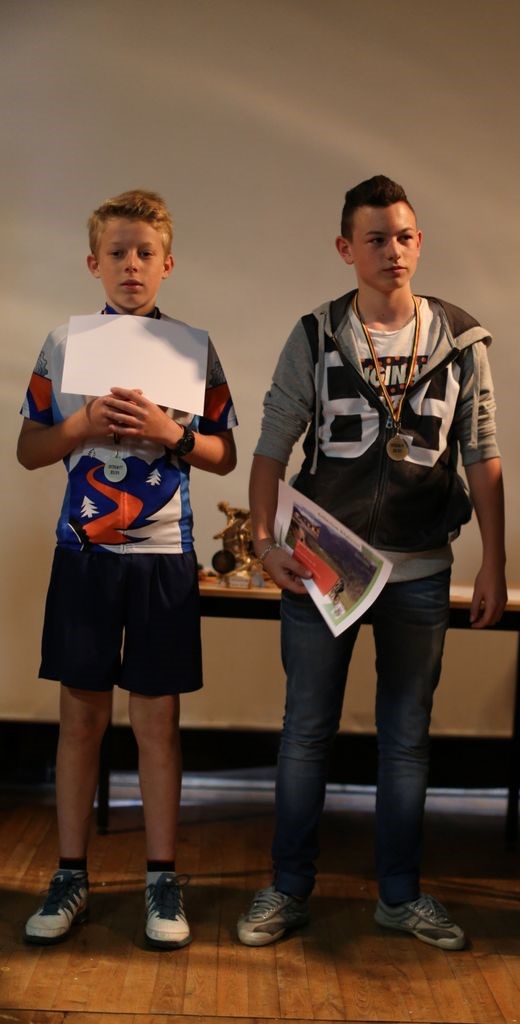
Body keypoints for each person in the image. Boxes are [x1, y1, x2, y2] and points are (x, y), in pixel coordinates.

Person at [238, 175, 506, 950]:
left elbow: (482, 454)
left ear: (419, 242)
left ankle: (400, 895)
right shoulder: (316, 334)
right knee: (305, 732)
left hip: (420, 567)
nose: (394, 251)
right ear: (345, 248)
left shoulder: (461, 340)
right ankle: (287, 888)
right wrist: (264, 543)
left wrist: (493, 561)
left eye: (405, 236)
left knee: (406, 739)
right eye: (377, 238)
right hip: (325, 562)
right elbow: (270, 447)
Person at [17, 189, 237, 949]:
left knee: (156, 722)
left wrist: (171, 433)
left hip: (162, 557)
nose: (132, 265)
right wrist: (79, 424)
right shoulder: (62, 345)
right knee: (80, 718)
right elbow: (29, 448)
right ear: (93, 263)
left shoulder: (192, 350)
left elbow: (223, 453)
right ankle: (69, 874)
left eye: (146, 253)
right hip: (84, 553)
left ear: (168, 265)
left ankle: (161, 880)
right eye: (117, 253)